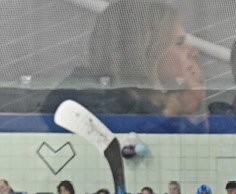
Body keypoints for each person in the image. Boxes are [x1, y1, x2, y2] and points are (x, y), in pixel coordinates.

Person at [42, 0, 204, 119]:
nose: (193, 52)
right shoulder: (103, 110)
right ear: (144, 53)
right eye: (179, 42)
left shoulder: (145, 107)